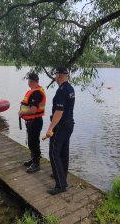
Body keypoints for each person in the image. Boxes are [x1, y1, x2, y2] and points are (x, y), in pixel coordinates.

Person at [45, 66, 75, 195]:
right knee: (63, 152)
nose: (54, 76)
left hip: (61, 125)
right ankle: (61, 175)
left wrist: (50, 128)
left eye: (55, 74)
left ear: (60, 75)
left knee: (53, 152)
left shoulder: (62, 91)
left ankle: (60, 184)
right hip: (69, 124)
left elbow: (59, 112)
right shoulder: (70, 88)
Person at [18, 73, 46, 173]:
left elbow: (33, 110)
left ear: (32, 81)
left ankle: (36, 164)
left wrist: (22, 113)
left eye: (28, 80)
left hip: (35, 121)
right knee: (33, 142)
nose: (28, 82)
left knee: (33, 143)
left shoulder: (36, 93)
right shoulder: (34, 91)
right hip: (32, 121)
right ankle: (33, 159)